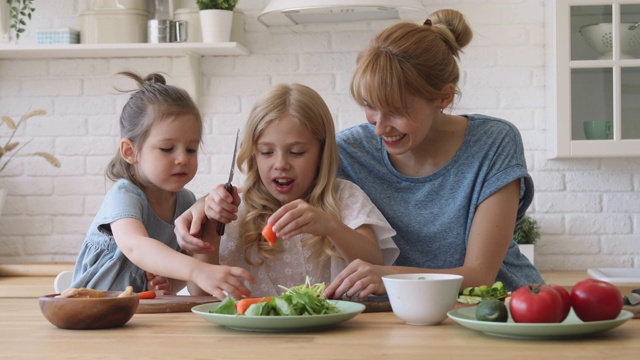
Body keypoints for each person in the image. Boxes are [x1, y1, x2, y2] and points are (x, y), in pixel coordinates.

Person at [322, 9, 544, 299]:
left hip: (498, 307)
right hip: (395, 315)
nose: (379, 128)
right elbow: (279, 191)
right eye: (370, 105)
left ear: (444, 97)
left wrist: (383, 274)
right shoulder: (348, 151)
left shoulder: (494, 142)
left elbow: (480, 274)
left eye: (397, 110)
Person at [175, 83, 399, 297]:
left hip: (333, 333)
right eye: (266, 152)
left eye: (296, 152)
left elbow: (374, 262)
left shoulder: (343, 196)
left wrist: (330, 226)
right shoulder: (236, 207)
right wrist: (212, 224)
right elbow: (199, 291)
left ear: (321, 153)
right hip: (250, 334)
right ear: (254, 154)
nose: (281, 164)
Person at [70, 71, 255, 300]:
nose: (183, 159)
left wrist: (166, 285)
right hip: (90, 309)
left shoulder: (185, 202)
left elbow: (186, 283)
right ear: (130, 151)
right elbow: (135, 246)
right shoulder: (124, 194)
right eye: (167, 149)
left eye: (191, 149)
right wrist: (199, 271)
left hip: (139, 316)